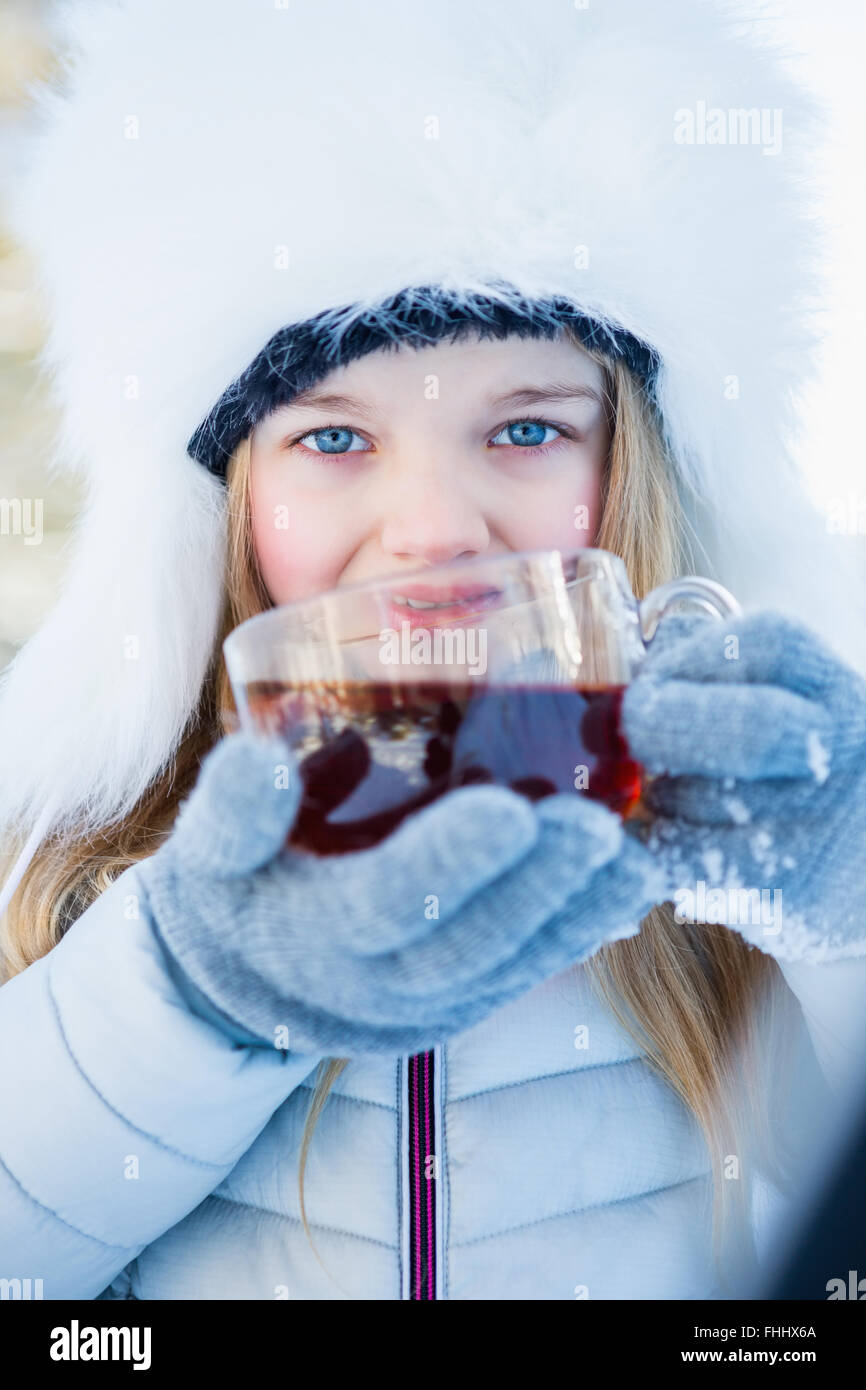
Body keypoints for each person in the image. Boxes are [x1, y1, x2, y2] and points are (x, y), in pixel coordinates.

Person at [1, 0, 865, 1301]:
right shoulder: (66, 881)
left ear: (630, 469)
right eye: (334, 440)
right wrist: (191, 996)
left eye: (522, 431)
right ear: (222, 507)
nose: (434, 534)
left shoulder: (750, 888)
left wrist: (847, 905)